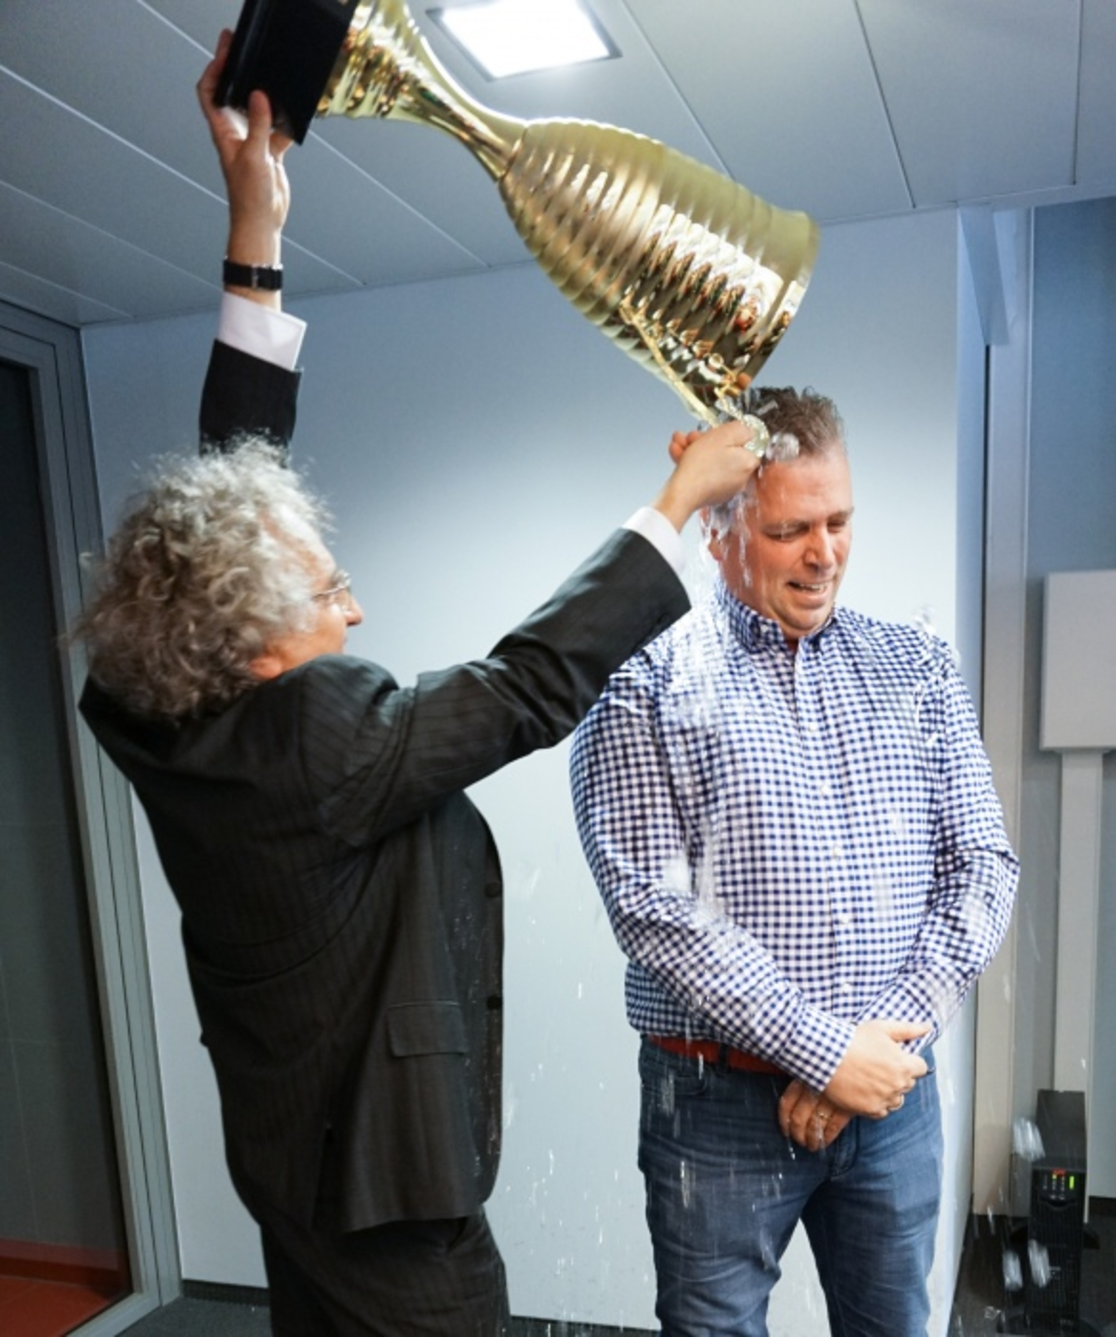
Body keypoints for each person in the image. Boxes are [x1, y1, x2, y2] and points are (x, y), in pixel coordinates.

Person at [74, 32, 761, 1337]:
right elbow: (525, 684)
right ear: (253, 641)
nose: (356, 607)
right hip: (392, 1213)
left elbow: (226, 508)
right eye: (330, 589)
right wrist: (676, 503)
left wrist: (254, 234)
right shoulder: (320, 736)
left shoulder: (148, 706)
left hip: (293, 1165)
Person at [569, 386, 1019, 1337]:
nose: (824, 553)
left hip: (893, 1096)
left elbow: (982, 865)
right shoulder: (644, 682)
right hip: (716, 1108)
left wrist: (876, 1047)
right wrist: (823, 1051)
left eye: (839, 521)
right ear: (722, 531)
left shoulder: (917, 667)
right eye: (790, 530)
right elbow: (654, 910)